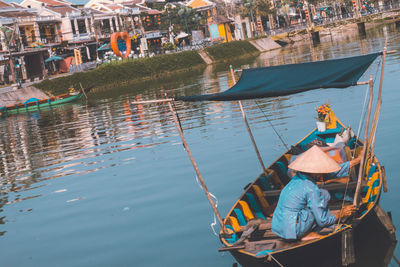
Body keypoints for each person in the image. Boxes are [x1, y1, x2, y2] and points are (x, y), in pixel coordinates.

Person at [271, 145, 357, 241]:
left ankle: (304, 232)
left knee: (324, 194)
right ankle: (304, 234)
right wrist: (341, 213)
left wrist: (356, 161)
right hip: (294, 230)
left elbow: (333, 173)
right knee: (321, 200)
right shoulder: (311, 188)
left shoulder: (297, 178)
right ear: (314, 172)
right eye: (320, 171)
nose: (323, 174)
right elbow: (323, 221)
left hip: (279, 228)